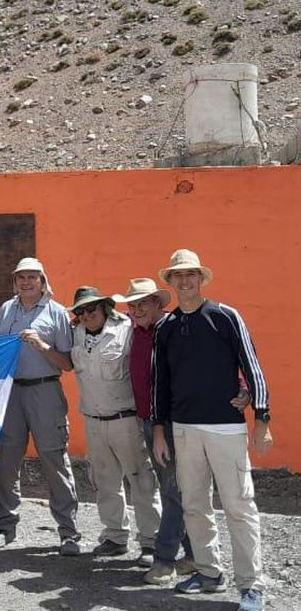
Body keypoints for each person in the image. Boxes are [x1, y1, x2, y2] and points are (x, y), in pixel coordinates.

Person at [151, 249, 271, 611]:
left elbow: (252, 365)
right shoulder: (166, 327)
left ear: (201, 279)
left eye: (191, 275)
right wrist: (159, 430)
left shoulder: (225, 316)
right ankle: (208, 572)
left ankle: (251, 585)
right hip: (184, 430)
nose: (185, 281)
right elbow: (159, 382)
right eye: (178, 276)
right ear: (170, 282)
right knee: (195, 505)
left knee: (238, 506)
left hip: (226, 429)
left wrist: (262, 418)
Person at [0, 257, 82, 556]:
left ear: (43, 281)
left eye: (32, 277)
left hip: (45, 390)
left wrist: (42, 346)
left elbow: (67, 363)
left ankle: (69, 533)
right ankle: (4, 526)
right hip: (12, 393)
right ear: (14, 282)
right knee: (7, 462)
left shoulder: (56, 313)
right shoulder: (6, 309)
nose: (26, 282)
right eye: (21, 278)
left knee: (55, 461)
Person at [113, 278, 198, 584]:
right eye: (132, 305)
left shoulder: (175, 329)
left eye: (142, 304)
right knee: (173, 487)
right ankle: (194, 555)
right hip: (149, 422)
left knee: (173, 490)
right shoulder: (135, 331)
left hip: (176, 422)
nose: (135, 310)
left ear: (158, 304)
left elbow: (205, 360)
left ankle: (164, 559)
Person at [68, 286, 161, 564]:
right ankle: (115, 537)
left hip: (126, 419)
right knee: (106, 482)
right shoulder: (76, 334)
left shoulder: (127, 330)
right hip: (94, 421)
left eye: (91, 309)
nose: (86, 315)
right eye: (80, 311)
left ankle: (151, 542)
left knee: (141, 480)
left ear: (105, 307)